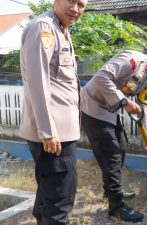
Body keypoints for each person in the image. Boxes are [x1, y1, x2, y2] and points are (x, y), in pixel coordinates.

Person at [80, 45, 147, 223]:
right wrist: (125, 102)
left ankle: (112, 190)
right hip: (92, 105)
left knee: (121, 148)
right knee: (111, 153)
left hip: (109, 109)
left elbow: (145, 107)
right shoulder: (132, 60)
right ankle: (116, 207)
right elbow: (101, 78)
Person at [19, 0, 87, 224]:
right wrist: (48, 131)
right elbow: (37, 82)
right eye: (71, 1)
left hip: (60, 133)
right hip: (53, 135)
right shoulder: (44, 28)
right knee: (59, 199)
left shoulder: (60, 29)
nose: (75, 9)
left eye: (81, 5)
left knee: (49, 196)